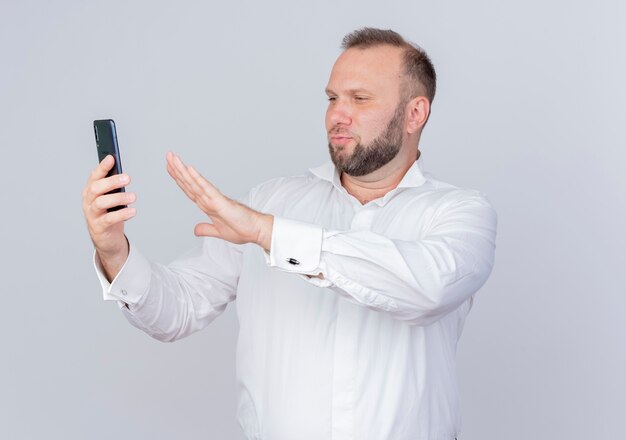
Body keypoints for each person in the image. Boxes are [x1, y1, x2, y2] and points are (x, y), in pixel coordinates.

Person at [82, 28, 497, 440]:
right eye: (333, 98)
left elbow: (427, 288)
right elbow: (176, 311)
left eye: (360, 98)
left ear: (415, 114)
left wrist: (270, 234)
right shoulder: (269, 201)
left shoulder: (460, 213)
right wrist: (115, 251)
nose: (338, 114)